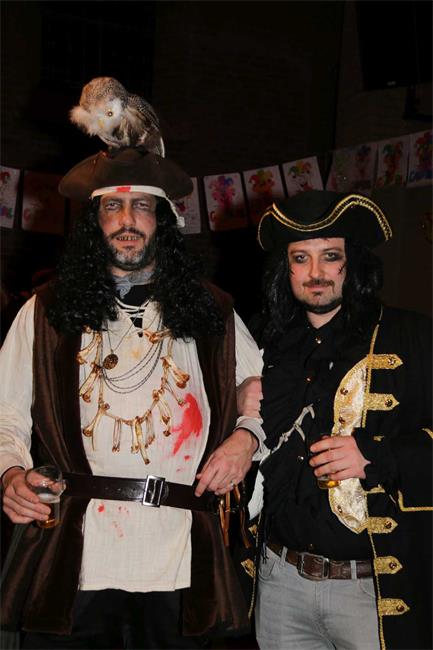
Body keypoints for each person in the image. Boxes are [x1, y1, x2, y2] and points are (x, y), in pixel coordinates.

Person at [0, 145, 264, 649]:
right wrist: (11, 473)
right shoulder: (45, 310)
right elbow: (5, 412)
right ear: (93, 222)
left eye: (142, 206)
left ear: (162, 219)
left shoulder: (213, 310)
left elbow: (264, 395)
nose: (127, 220)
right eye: (113, 207)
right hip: (78, 552)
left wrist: (246, 440)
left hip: (179, 554)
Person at [241, 191, 432, 650]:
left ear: (354, 263)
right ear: (285, 269)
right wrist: (237, 404)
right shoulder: (264, 343)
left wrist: (376, 455)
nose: (316, 272)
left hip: (370, 592)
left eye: (331, 256)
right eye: (300, 258)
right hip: (279, 582)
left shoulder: (414, 336)